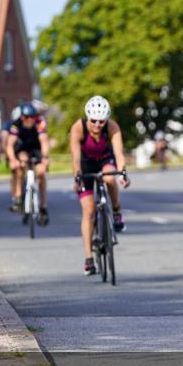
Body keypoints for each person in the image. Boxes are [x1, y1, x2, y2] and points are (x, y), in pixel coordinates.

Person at [71, 95, 130, 276]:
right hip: (86, 164)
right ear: (88, 118)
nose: (97, 125)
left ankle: (117, 210)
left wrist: (123, 172)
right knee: (88, 210)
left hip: (105, 160)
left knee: (110, 178)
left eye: (101, 121)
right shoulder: (78, 128)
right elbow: (75, 156)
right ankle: (89, 259)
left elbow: (119, 153)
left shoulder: (112, 127)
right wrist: (77, 176)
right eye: (94, 120)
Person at [6, 102, 50, 224]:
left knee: (41, 173)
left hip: (36, 149)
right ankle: (19, 197)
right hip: (22, 149)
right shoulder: (16, 125)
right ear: (22, 117)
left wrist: (45, 157)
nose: (29, 120)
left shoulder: (40, 122)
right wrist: (12, 160)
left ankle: (43, 206)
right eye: (26, 117)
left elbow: (44, 141)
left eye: (32, 117)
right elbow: (10, 145)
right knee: (20, 165)